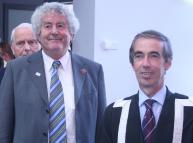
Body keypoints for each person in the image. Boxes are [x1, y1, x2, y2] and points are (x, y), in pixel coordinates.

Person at [0, 2, 106, 143]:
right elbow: (4, 126)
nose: (54, 31)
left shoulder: (93, 70)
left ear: (72, 33)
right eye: (48, 26)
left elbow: (101, 126)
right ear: (38, 34)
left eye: (61, 25)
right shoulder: (16, 69)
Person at [99, 30, 193, 143]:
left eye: (154, 56)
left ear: (168, 63)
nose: (145, 64)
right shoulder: (113, 113)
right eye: (139, 56)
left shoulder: (189, 111)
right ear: (133, 64)